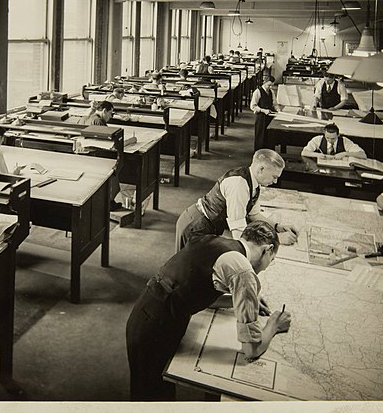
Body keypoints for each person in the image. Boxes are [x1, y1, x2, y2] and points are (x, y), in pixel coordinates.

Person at [126, 221, 292, 401]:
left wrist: (239, 300)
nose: (267, 266)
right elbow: (251, 349)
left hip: (144, 313)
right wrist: (274, 325)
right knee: (153, 401)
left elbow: (195, 290)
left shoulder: (216, 241)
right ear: (267, 249)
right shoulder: (243, 271)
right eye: (271, 260)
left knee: (149, 393)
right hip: (157, 328)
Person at [175, 149, 298, 251]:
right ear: (261, 169)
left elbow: (254, 215)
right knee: (185, 273)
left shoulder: (254, 183)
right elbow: (238, 231)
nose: (275, 181)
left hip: (209, 225)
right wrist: (276, 239)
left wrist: (277, 227)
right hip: (196, 226)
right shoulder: (239, 185)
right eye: (274, 176)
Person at [79, 100, 122, 210]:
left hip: (86, 154)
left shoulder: (88, 117)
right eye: (110, 113)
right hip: (98, 155)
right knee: (115, 167)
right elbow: (109, 143)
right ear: (104, 111)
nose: (110, 117)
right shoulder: (98, 121)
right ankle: (109, 202)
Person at [301, 122, 366, 160]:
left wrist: (345, 154)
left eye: (333, 138)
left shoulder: (344, 141)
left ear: (338, 135)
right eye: (327, 138)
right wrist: (317, 155)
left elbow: (363, 155)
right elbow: (304, 152)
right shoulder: (318, 139)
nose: (330, 140)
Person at [250, 75, 276, 151]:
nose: (270, 87)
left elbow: (274, 103)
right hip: (261, 118)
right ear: (264, 83)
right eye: (269, 85)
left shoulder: (271, 92)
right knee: (260, 137)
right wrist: (263, 110)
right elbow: (253, 106)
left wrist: (278, 110)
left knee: (269, 138)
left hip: (270, 117)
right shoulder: (258, 92)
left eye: (272, 86)